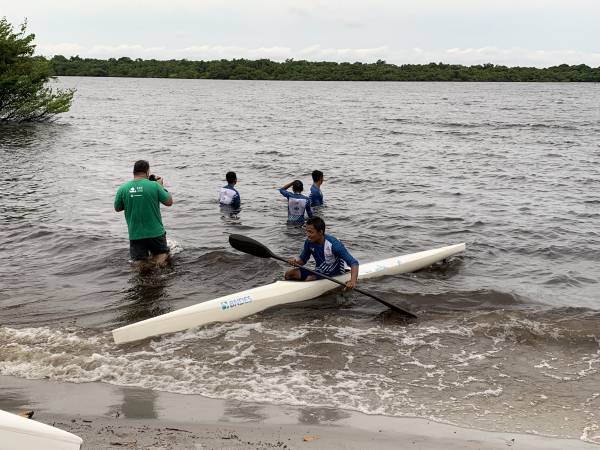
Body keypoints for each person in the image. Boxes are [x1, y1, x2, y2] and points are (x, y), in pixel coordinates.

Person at [114, 160, 173, 267]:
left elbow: (117, 208)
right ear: (147, 172)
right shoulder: (155, 185)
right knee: (161, 259)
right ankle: (160, 275)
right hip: (156, 233)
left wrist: (132, 200)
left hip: (136, 234)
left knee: (139, 264)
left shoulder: (123, 188)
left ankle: (142, 276)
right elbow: (169, 202)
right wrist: (161, 186)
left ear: (134, 172)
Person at [285, 216, 359, 290]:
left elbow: (354, 263)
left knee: (310, 279)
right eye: (306, 231)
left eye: (310, 232)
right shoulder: (309, 242)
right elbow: (303, 261)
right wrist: (295, 261)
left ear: (320, 232)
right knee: (289, 274)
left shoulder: (334, 245)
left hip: (335, 274)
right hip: (319, 271)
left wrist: (352, 281)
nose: (307, 235)